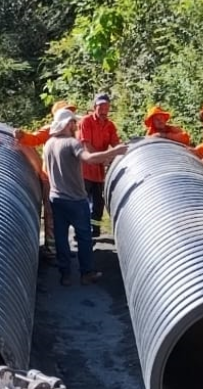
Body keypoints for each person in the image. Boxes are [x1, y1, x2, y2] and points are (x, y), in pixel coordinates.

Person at [44, 109, 127, 286]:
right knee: (84, 237)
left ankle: (65, 274)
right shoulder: (71, 143)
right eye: (74, 122)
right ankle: (86, 273)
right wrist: (114, 152)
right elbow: (88, 158)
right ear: (67, 125)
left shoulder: (49, 143)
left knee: (61, 237)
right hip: (75, 199)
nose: (76, 125)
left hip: (56, 198)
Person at [13, 100, 77, 261]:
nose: (70, 114)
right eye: (66, 111)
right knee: (51, 213)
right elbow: (34, 139)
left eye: (71, 111)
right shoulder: (50, 129)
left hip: (67, 178)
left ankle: (62, 247)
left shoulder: (74, 129)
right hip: (50, 178)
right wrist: (22, 135)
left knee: (65, 213)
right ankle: (52, 250)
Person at [77, 93, 120, 237]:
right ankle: (81, 231)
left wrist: (118, 154)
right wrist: (106, 158)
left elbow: (116, 145)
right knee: (82, 202)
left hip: (99, 172)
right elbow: (87, 147)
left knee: (98, 204)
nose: (103, 110)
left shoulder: (110, 125)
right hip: (84, 169)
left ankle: (94, 231)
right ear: (94, 107)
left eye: (106, 107)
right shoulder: (86, 122)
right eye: (100, 107)